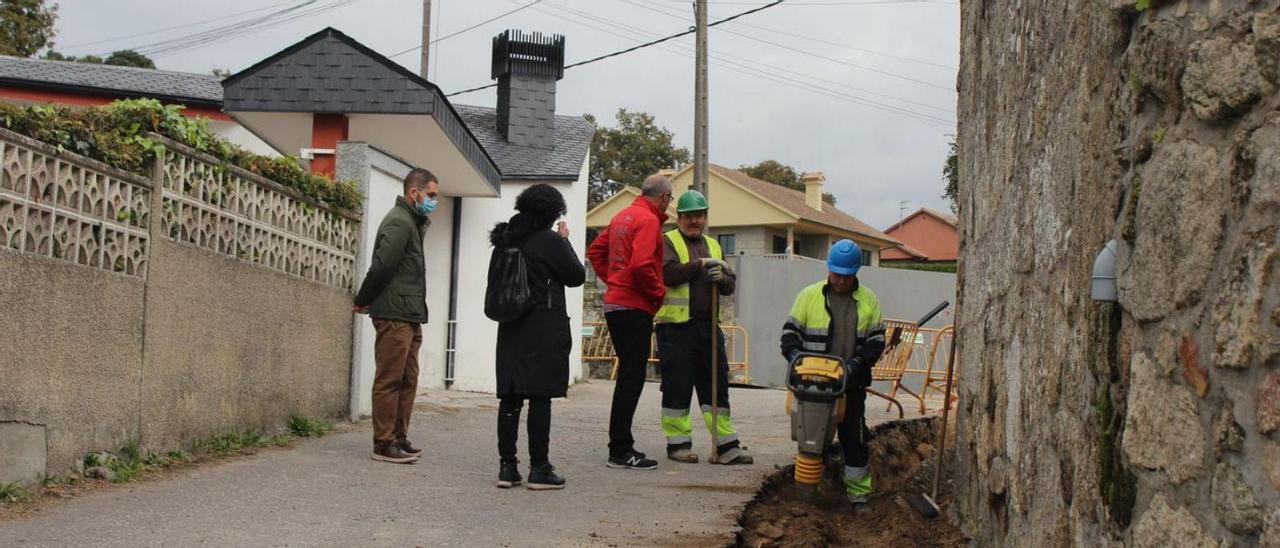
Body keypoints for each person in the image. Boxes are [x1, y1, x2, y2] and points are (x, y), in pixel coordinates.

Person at [488, 184, 585, 490]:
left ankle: (507, 468)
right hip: (543, 326)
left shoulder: (505, 240)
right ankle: (539, 468)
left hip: (511, 325)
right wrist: (564, 241)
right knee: (540, 396)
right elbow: (576, 276)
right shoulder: (549, 241)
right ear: (553, 213)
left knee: (511, 396)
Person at [779, 239, 886, 510]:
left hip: (850, 385)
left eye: (846, 276)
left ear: (855, 273)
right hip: (813, 386)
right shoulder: (809, 296)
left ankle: (858, 496)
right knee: (812, 442)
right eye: (836, 274)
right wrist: (795, 359)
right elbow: (790, 335)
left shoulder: (868, 300)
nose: (840, 281)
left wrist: (857, 365)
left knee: (854, 440)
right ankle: (808, 494)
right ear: (828, 268)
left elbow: (876, 342)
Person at [654, 190, 753, 465]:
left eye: (699, 215)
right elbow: (668, 274)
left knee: (716, 385)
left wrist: (721, 276)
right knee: (678, 385)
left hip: (708, 327)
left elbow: (730, 284)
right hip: (675, 328)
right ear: (680, 218)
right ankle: (678, 444)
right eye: (689, 216)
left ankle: (725, 445)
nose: (694, 221)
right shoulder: (667, 241)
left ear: (705, 217)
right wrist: (700, 265)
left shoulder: (714, 245)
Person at [586, 174, 674, 470]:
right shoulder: (648, 221)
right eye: (669, 200)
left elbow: (595, 252)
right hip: (634, 306)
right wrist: (656, 293)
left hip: (615, 303)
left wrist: (613, 280)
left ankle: (620, 446)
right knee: (632, 376)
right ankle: (620, 449)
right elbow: (641, 264)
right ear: (663, 197)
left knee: (627, 374)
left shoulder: (622, 216)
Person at [353, 168, 439, 464]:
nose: (433, 201)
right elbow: (382, 267)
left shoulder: (411, 222)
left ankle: (399, 437)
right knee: (390, 379)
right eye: (431, 195)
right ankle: (383, 442)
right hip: (394, 313)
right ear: (414, 193)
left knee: (408, 378)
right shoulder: (400, 222)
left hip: (409, 312)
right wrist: (363, 300)